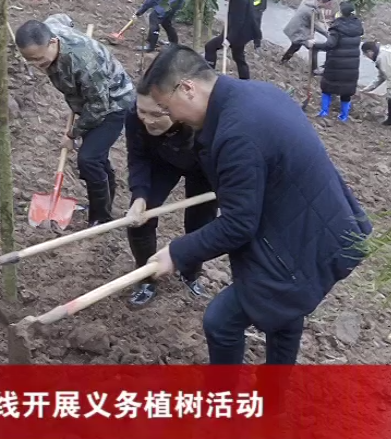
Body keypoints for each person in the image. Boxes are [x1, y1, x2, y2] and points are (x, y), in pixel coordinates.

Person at [136, 44, 373, 365]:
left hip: (303, 243)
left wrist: (176, 253)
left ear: (187, 89)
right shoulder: (257, 93)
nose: (172, 118)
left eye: (166, 108)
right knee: (285, 313)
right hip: (327, 226)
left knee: (221, 322)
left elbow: (238, 224)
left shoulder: (236, 135)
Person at [15, 15, 135, 226]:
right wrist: (74, 28)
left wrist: (72, 134)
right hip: (88, 101)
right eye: (30, 60)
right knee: (96, 157)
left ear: (53, 42)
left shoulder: (85, 63)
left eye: (39, 59)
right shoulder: (49, 28)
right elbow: (63, 18)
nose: (36, 65)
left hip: (114, 102)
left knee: (88, 159)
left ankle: (100, 217)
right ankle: (105, 204)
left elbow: (99, 106)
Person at [124, 94, 217, 306]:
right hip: (163, 160)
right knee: (139, 221)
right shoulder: (134, 115)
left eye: (157, 114)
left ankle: (191, 273)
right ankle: (146, 278)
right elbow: (137, 156)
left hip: (204, 168)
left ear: (178, 111)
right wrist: (139, 195)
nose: (148, 120)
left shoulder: (204, 122)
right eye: (143, 112)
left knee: (200, 223)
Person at [303, 1, 363, 121]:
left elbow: (330, 45)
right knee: (346, 90)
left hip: (335, 64)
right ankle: (344, 116)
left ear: (341, 12)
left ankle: (324, 112)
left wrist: (314, 44)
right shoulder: (357, 26)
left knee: (327, 87)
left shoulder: (337, 27)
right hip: (351, 65)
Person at [203, 0, 260, 79]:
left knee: (210, 47)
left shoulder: (239, 1)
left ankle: (208, 75)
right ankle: (245, 80)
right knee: (238, 57)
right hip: (240, 32)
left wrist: (229, 39)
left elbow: (238, 22)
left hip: (239, 33)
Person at [281, 0, 329, 72]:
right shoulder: (311, 11)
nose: (330, 6)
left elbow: (317, 21)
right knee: (313, 47)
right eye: (329, 4)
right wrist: (327, 34)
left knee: (295, 46)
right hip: (299, 31)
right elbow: (316, 25)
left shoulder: (308, 3)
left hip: (297, 28)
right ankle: (314, 70)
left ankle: (284, 60)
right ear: (322, 2)